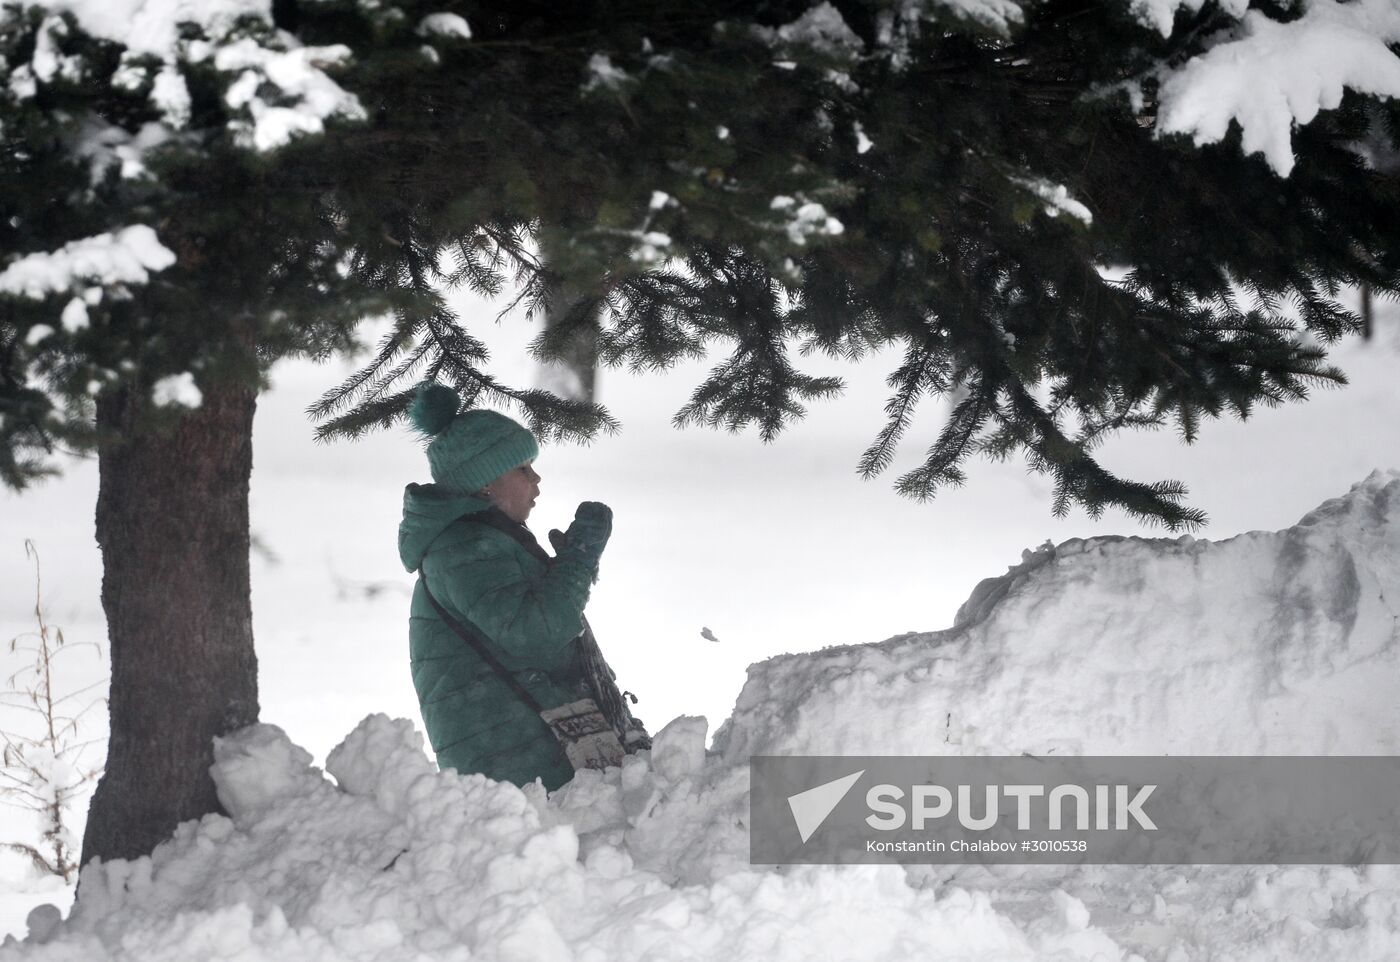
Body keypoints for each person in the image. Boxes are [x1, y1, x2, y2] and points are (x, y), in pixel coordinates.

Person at [397, 381, 644, 790]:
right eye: (523, 469)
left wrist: (564, 569)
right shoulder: (464, 549)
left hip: (529, 758)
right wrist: (578, 561)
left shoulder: (483, 541)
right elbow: (537, 634)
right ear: (486, 482)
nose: (537, 479)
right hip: (522, 770)